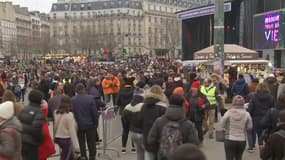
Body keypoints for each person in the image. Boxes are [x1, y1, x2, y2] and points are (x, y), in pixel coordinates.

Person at [148, 94, 199, 160]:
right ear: (182, 105)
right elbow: (194, 144)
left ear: (169, 103)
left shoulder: (159, 121)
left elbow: (151, 140)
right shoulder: (188, 124)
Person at [221, 95, 252, 160]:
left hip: (229, 139)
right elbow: (250, 127)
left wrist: (226, 126)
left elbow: (222, 124)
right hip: (241, 140)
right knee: (239, 157)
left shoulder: (229, 112)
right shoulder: (247, 114)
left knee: (229, 158)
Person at [141, 85, 168, 160]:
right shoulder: (163, 107)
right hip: (160, 139)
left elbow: (140, 120)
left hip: (147, 137)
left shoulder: (144, 106)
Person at [72, 83, 98, 160]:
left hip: (79, 125)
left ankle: (83, 156)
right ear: (84, 89)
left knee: (81, 143)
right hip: (90, 124)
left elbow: (72, 113)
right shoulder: (90, 98)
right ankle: (92, 157)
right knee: (91, 143)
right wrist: (96, 124)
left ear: (76, 90)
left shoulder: (73, 100)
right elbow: (94, 112)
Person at [18, 89, 45, 160]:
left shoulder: (23, 109)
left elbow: (19, 123)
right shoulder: (39, 112)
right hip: (32, 143)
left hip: (22, 141)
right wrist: (41, 139)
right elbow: (36, 130)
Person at [248, 83, 274, 152]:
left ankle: (252, 146)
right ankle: (262, 145)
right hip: (266, 117)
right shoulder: (270, 97)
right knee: (263, 132)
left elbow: (251, 108)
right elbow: (272, 108)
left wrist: (250, 114)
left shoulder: (254, 96)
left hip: (256, 117)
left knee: (253, 131)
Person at [54, 96, 80, 160]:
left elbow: (55, 126)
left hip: (59, 138)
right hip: (67, 139)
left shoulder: (56, 112)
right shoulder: (69, 115)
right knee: (67, 157)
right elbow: (72, 132)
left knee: (65, 156)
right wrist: (77, 147)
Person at [123, 88, 145, 160]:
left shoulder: (127, 107)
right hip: (143, 132)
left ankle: (124, 147)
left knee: (139, 153)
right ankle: (133, 147)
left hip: (133, 131)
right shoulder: (144, 106)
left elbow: (125, 123)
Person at [117, 77, 136, 153]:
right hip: (133, 111)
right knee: (133, 129)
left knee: (125, 130)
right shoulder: (134, 90)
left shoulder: (121, 90)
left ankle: (123, 147)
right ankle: (133, 147)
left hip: (124, 112)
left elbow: (117, 101)